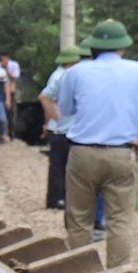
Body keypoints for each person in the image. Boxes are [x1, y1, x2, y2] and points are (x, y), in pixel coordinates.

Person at [54, 20, 138, 268]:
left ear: (93, 48)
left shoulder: (75, 72)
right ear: (122, 48)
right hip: (122, 154)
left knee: (79, 220)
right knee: (120, 220)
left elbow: (65, 109)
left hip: (82, 153)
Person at [39, 45, 84, 210]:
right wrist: (55, 120)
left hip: (58, 126)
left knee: (59, 165)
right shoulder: (63, 76)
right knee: (60, 166)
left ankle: (56, 198)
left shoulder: (59, 74)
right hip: (60, 127)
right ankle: (58, 198)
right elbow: (46, 99)